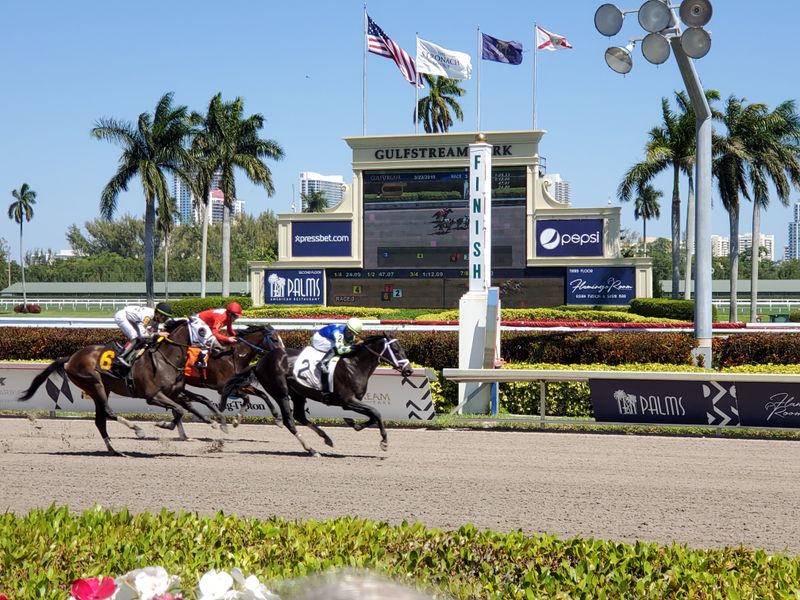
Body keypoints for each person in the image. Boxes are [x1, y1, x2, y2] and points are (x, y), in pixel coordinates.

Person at [310, 317, 363, 401]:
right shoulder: (338, 332)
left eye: (352, 332)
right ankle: (323, 363)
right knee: (335, 348)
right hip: (318, 338)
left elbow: (348, 348)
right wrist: (354, 347)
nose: (350, 333)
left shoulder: (351, 336)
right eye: (349, 330)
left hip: (329, 338)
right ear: (347, 326)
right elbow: (340, 349)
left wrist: (353, 347)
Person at [112, 302, 173, 368]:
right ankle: (120, 357)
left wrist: (157, 334)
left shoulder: (155, 318)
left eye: (166, 318)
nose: (165, 320)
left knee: (142, 338)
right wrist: (158, 334)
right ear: (158, 314)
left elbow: (152, 333)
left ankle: (131, 353)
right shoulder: (147, 316)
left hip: (133, 319)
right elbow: (143, 334)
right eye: (164, 318)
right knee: (134, 336)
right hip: (122, 316)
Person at [189, 301, 243, 368]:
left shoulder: (228, 316)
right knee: (211, 341)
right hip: (198, 322)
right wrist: (228, 339)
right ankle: (200, 361)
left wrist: (237, 337)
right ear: (230, 314)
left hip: (205, 324)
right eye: (236, 317)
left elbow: (229, 329)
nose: (236, 319)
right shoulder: (221, 317)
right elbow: (214, 333)